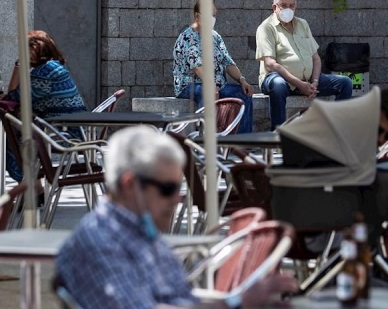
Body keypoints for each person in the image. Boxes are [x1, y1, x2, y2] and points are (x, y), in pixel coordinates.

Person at [56, 126, 297, 309]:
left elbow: (185, 302)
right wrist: (236, 302)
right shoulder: (102, 240)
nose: (177, 200)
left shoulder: (141, 233)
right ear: (130, 184)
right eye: (168, 189)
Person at [256, 0, 352, 129]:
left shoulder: (302, 24)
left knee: (345, 83)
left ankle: (336, 131)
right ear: (274, 7)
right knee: (278, 85)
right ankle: (278, 134)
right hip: (277, 79)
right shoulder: (266, 28)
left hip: (308, 80)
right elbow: (270, 64)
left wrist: (315, 82)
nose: (288, 9)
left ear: (296, 7)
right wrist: (299, 84)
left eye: (291, 5)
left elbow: (316, 59)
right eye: (283, 5)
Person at [0, 30, 87, 184]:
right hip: (73, 129)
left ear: (35, 49)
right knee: (24, 127)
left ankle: (31, 187)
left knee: (17, 131)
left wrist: (18, 65)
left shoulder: (46, 71)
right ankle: (35, 188)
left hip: (65, 134)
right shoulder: (54, 67)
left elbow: (14, 94)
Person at [173, 1, 254, 133]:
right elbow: (197, 67)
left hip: (218, 84)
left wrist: (242, 80)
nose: (213, 19)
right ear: (197, 16)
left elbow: (227, 61)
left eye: (214, 15)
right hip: (191, 84)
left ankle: (242, 140)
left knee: (243, 93)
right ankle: (207, 138)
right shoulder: (188, 37)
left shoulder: (215, 36)